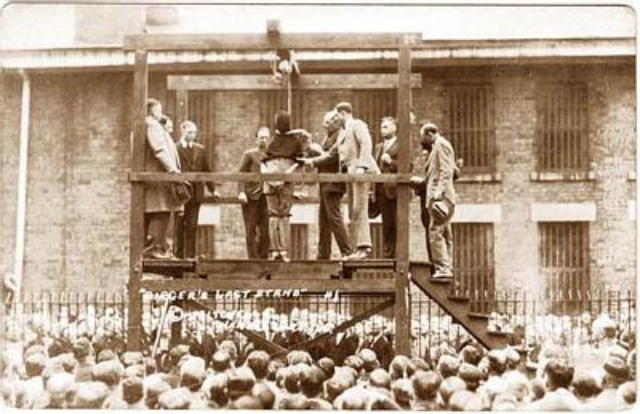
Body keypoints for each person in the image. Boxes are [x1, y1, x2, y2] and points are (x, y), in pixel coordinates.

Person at [300, 110, 353, 259]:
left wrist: (312, 160)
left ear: (336, 123)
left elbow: (332, 156)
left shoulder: (340, 136)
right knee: (324, 219)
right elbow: (325, 155)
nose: (324, 125)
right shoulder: (329, 136)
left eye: (327, 122)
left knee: (334, 218)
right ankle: (323, 254)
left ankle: (347, 251)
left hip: (333, 184)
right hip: (325, 183)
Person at [334, 102, 380, 260]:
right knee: (353, 210)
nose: (336, 118)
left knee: (359, 208)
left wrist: (362, 166)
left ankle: (364, 247)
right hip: (350, 173)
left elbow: (366, 144)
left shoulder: (357, 125)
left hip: (360, 171)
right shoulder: (343, 131)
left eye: (337, 115)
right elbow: (338, 153)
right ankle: (356, 248)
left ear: (343, 113)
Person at [262, 111, 309, 261]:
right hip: (279, 182)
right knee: (279, 215)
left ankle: (279, 251)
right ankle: (279, 251)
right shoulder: (291, 142)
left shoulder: (274, 141)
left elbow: (264, 162)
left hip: (280, 182)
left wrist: (278, 176)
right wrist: (279, 176)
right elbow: (299, 161)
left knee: (277, 215)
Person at [143, 99, 184, 259]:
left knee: (159, 210)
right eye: (158, 110)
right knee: (161, 209)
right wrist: (172, 169)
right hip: (159, 176)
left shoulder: (152, 125)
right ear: (151, 111)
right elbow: (159, 149)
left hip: (158, 176)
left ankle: (156, 247)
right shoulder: (152, 125)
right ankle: (155, 249)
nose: (161, 113)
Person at [419, 121, 457, 279]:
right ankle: (447, 266)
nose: (422, 140)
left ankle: (443, 268)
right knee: (445, 232)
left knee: (435, 231)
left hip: (441, 197)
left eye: (423, 137)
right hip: (443, 196)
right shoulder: (438, 146)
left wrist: (439, 191)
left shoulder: (441, 144)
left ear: (429, 134)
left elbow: (447, 170)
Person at [174, 120, 218, 259]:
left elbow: (206, 170)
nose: (192, 135)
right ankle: (178, 255)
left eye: (194, 133)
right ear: (182, 131)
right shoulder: (175, 148)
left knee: (192, 224)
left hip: (196, 193)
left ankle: (190, 255)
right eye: (189, 132)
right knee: (179, 224)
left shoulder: (200, 149)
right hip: (181, 193)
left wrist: (212, 189)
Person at [237, 127, 271, 259]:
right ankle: (253, 258)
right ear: (256, 140)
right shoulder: (249, 155)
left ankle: (263, 258)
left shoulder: (272, 156)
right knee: (250, 228)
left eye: (266, 137)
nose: (264, 140)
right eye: (261, 138)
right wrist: (241, 192)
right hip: (251, 196)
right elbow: (241, 174)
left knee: (266, 228)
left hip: (267, 196)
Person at [373, 117, 399, 258]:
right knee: (386, 224)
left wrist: (391, 162)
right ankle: (388, 254)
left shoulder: (401, 145)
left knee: (397, 224)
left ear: (394, 128)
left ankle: (398, 255)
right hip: (381, 190)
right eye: (382, 127)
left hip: (395, 191)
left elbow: (408, 166)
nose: (382, 130)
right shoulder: (378, 147)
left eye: (386, 127)